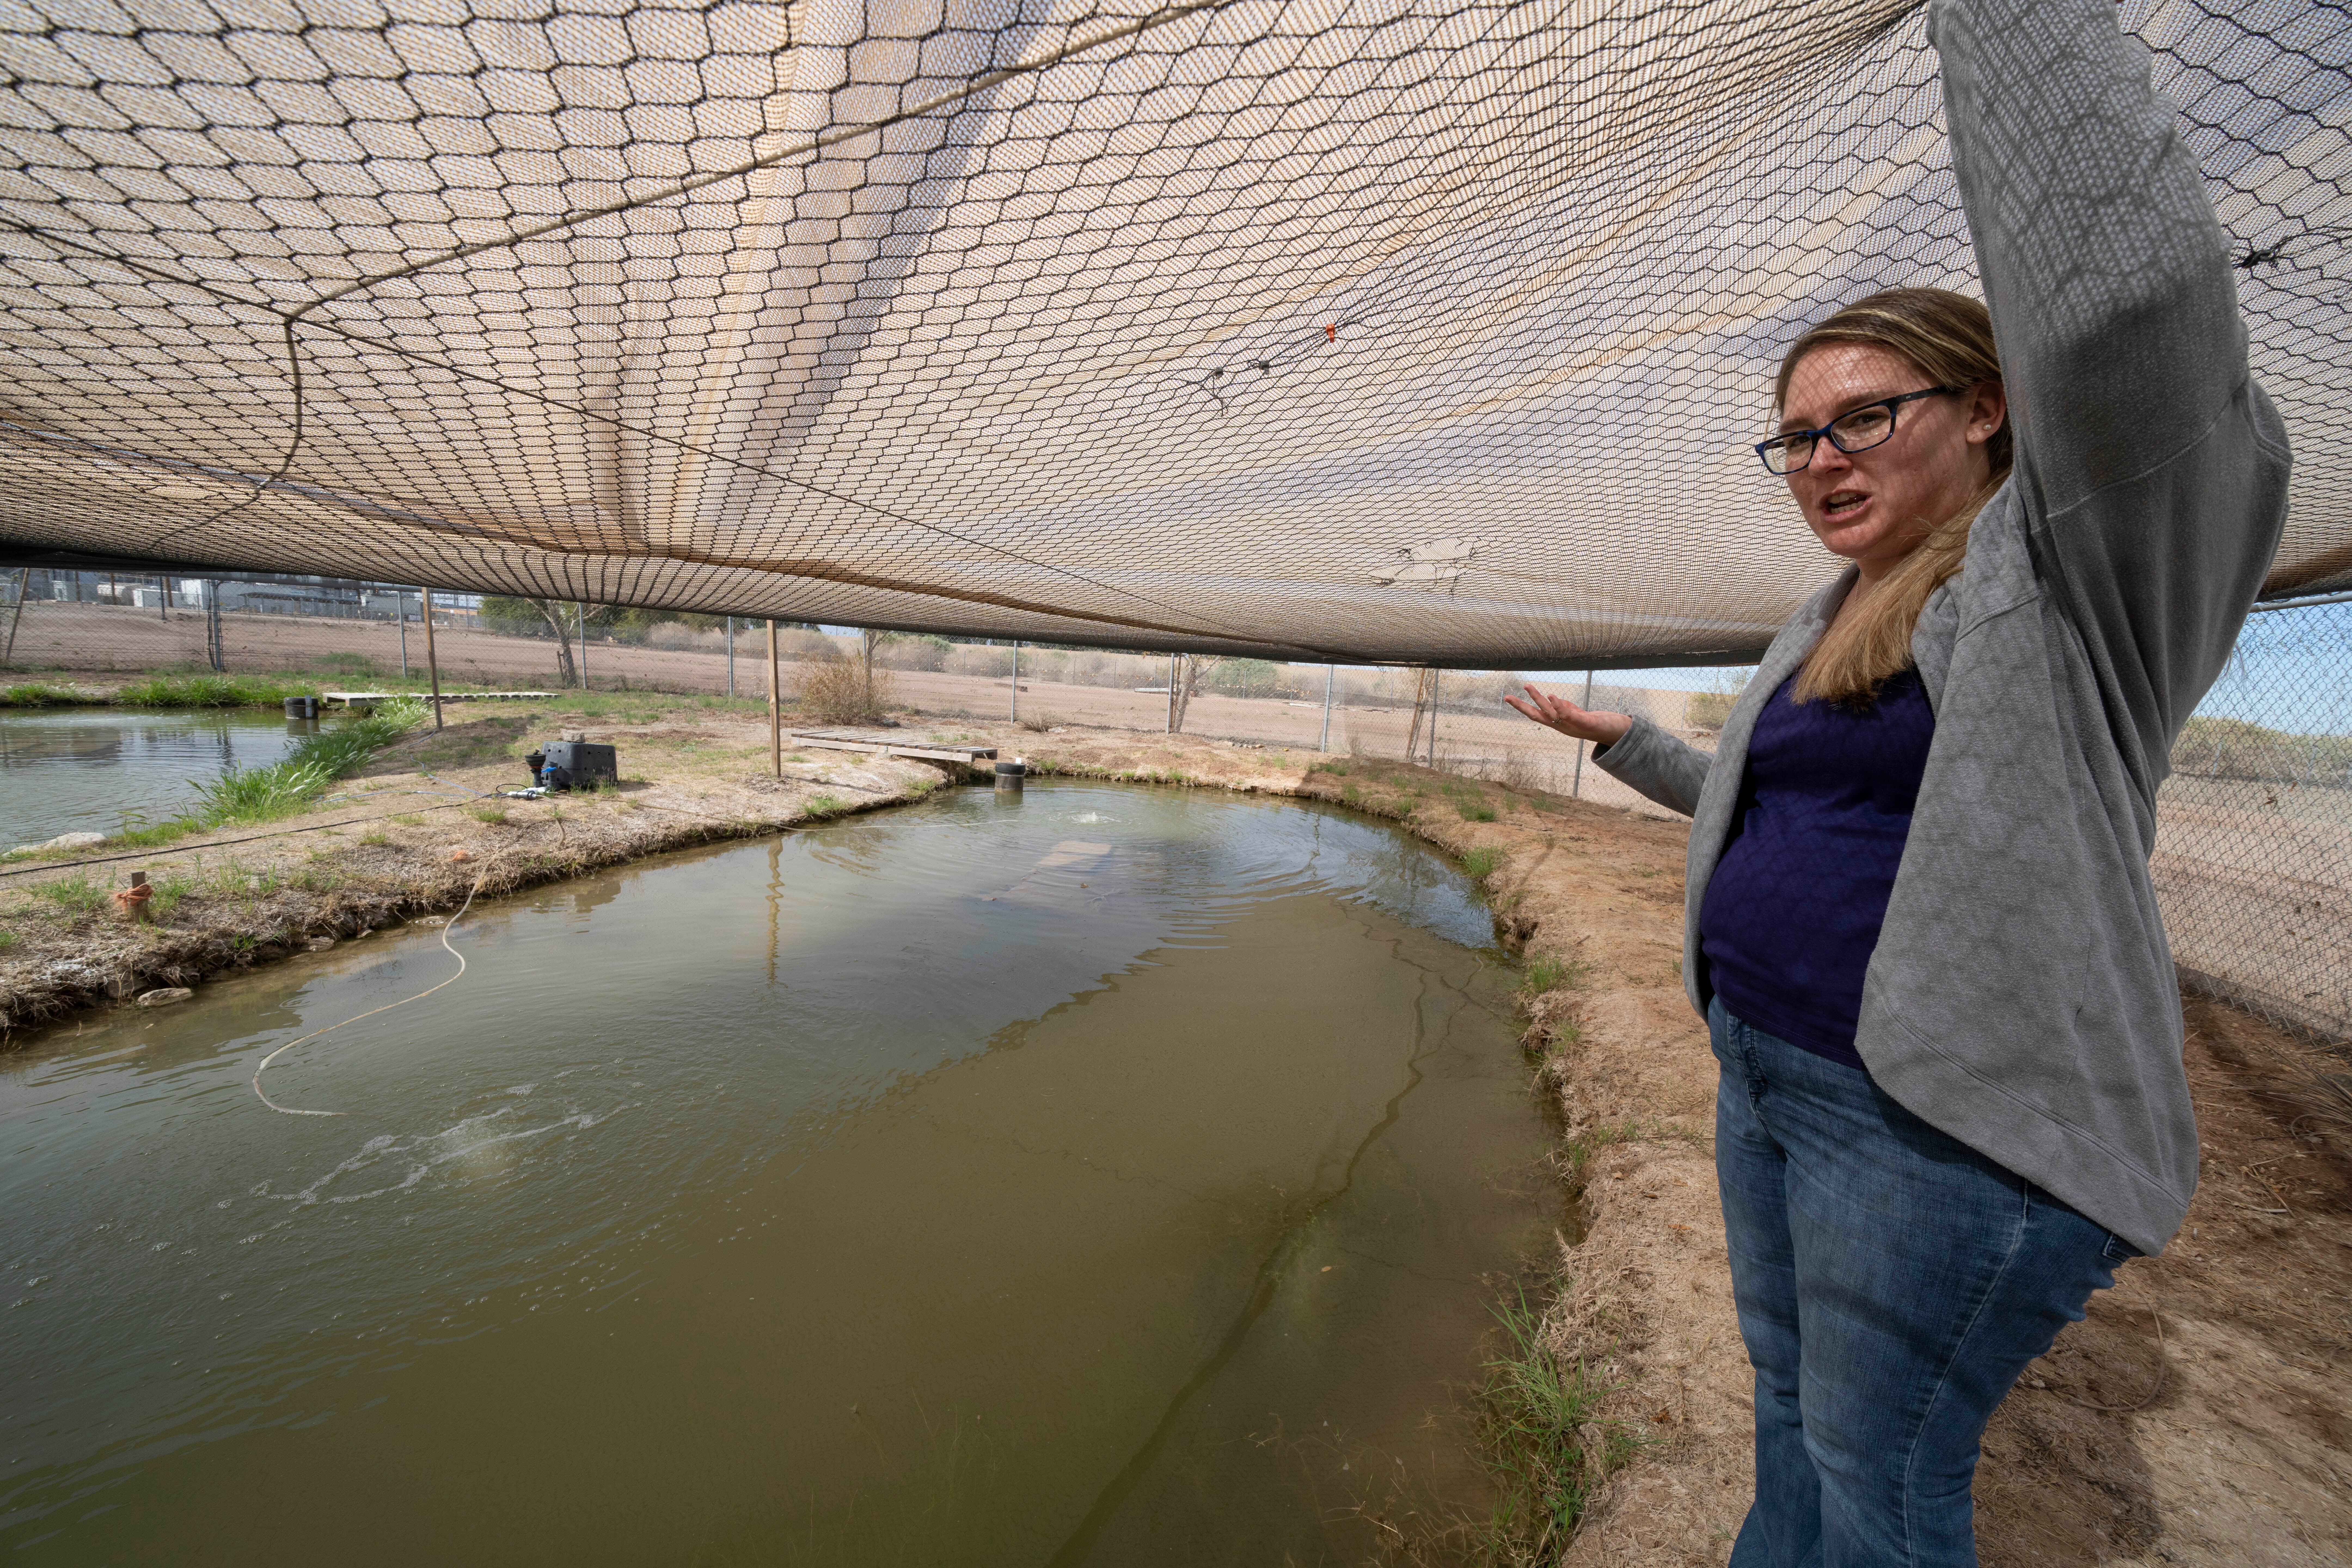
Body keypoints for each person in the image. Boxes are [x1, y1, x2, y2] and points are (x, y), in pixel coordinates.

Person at [1505, 0, 2291, 1561]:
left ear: (1991, 408)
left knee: (1884, 1479)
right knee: (1795, 1414)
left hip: (1927, 1123)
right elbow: (1800, 807)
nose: (1819, 460)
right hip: (1770, 1071)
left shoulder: (2067, 583)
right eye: (1794, 437)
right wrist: (1635, 752)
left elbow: (2127, 324)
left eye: (1864, 415)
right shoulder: (1833, 609)